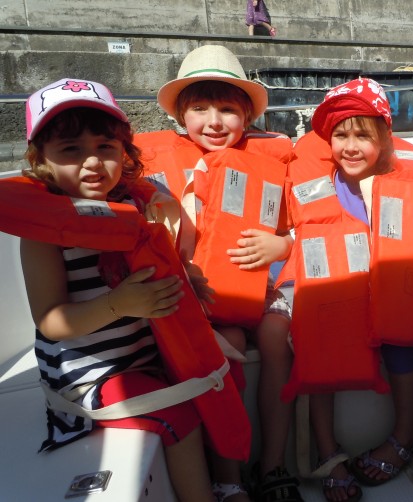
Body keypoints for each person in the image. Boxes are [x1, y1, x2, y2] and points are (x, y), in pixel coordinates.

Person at [18, 78, 233, 502]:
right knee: (181, 416)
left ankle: (233, 482)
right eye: (71, 150)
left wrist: (184, 281)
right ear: (41, 160)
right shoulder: (43, 234)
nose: (93, 162)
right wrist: (117, 305)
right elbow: (52, 322)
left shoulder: (133, 207)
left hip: (144, 356)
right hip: (90, 376)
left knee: (224, 374)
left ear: (124, 152)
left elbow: (157, 268)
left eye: (105, 147)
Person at [152, 45, 300, 502]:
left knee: (279, 335)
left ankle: (273, 464)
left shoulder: (275, 160)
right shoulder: (155, 168)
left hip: (258, 287)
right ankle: (229, 478)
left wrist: (284, 244)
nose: (214, 122)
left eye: (228, 110)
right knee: (229, 345)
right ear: (181, 114)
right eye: (200, 108)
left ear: (247, 118)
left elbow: (307, 228)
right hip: (194, 298)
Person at [282, 78, 413, 502]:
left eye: (362, 136)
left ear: (386, 137)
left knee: (401, 341)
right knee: (319, 347)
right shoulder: (319, 184)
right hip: (336, 294)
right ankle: (330, 454)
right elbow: (302, 237)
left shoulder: (407, 183)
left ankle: (404, 436)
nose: (350, 147)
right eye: (340, 135)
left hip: (390, 297)